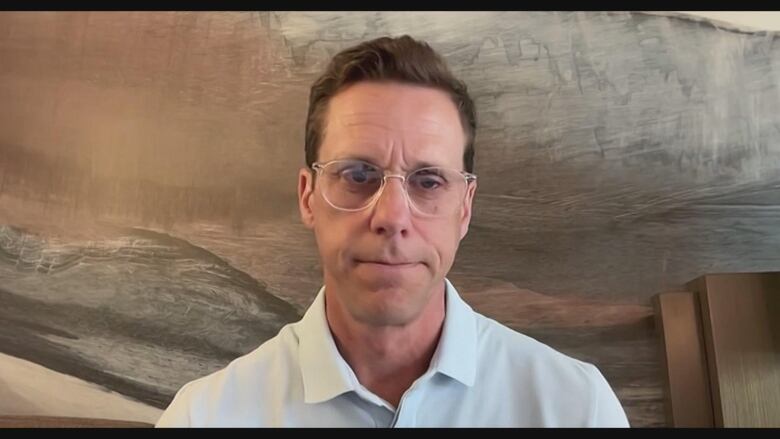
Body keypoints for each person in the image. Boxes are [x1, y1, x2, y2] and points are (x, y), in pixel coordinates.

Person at [156, 35, 630, 428]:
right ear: (308, 197)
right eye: (358, 175)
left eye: (428, 181)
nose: (393, 217)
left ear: (464, 207)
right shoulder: (202, 418)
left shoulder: (576, 409)